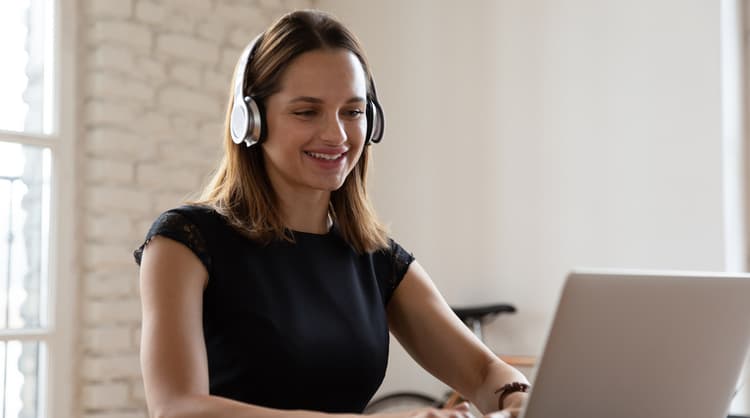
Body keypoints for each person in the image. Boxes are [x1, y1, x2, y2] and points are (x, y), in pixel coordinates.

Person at [134, 9, 530, 418]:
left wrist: (516, 399)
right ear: (250, 121)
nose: (337, 135)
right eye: (307, 112)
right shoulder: (184, 242)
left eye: (353, 112)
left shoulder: (376, 259)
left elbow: (483, 372)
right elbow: (177, 407)